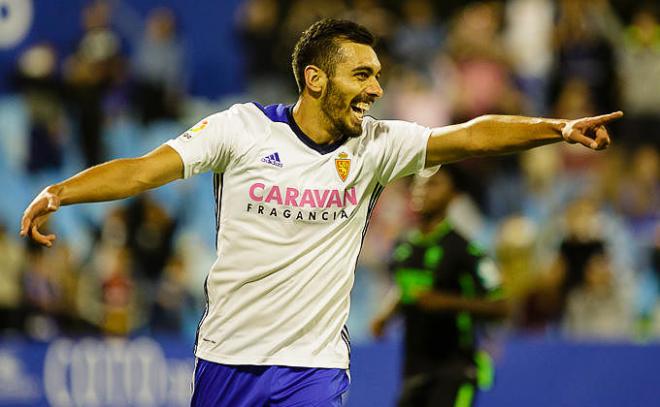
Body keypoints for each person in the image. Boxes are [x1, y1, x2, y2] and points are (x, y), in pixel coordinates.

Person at [20, 18, 621, 407]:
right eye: (362, 74)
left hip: (314, 368)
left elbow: (471, 136)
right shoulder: (242, 129)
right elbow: (144, 169)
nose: (376, 89)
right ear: (314, 79)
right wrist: (60, 193)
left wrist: (559, 127)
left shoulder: (377, 146)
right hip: (228, 358)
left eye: (378, 76)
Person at [371, 167, 507, 407]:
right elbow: (405, 289)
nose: (421, 191)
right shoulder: (403, 247)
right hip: (413, 371)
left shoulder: (467, 251)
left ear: (454, 195)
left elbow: (501, 307)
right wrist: (386, 315)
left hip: (455, 370)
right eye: (418, 184)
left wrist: (446, 302)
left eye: (433, 185)